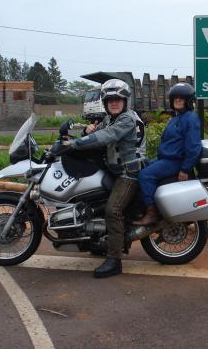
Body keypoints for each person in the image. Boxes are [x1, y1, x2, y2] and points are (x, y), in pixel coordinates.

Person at [66, 78, 146, 278]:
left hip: (129, 173)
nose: (114, 103)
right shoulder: (110, 118)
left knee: (113, 210)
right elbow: (97, 132)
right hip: (114, 171)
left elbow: (105, 136)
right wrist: (83, 132)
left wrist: (75, 144)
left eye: (117, 99)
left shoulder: (127, 119)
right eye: (110, 100)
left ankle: (114, 261)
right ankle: (98, 239)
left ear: (125, 101)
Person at [134, 83, 202, 226]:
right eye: (175, 97)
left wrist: (185, 169)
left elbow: (194, 146)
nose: (177, 100)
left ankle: (152, 213)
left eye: (181, 98)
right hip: (165, 159)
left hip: (175, 162)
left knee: (145, 175)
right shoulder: (176, 118)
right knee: (139, 165)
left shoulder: (190, 118)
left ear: (188, 100)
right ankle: (138, 208)